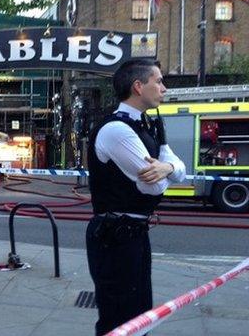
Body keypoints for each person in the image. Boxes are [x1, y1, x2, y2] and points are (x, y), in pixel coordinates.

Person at [86, 59, 186, 335]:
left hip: (133, 234)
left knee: (139, 316)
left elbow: (180, 171)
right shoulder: (117, 130)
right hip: (115, 237)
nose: (164, 88)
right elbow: (154, 188)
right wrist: (169, 171)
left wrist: (166, 167)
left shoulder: (148, 126)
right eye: (159, 81)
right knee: (119, 319)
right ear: (138, 87)